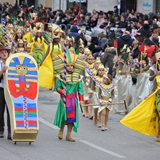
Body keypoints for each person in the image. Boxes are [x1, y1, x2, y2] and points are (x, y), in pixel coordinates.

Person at [120, 49, 160, 142]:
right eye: (143, 52)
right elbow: (151, 83)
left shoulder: (150, 63)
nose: (145, 54)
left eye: (146, 52)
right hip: (150, 89)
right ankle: (158, 133)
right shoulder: (154, 71)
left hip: (146, 82)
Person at [53, 52, 84, 142]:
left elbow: (80, 89)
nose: (70, 67)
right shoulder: (61, 76)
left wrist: (81, 100)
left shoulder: (78, 77)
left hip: (73, 100)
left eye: (72, 66)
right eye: (68, 65)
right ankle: (61, 130)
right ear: (65, 66)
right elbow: (57, 87)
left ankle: (69, 135)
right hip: (64, 99)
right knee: (64, 116)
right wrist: (61, 91)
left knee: (72, 118)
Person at [0, 45, 11, 139]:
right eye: (2, 52)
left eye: (5, 52)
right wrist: (2, 71)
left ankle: (11, 131)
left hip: (10, 89)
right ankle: (1, 130)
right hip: (1, 88)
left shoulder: (11, 62)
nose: (4, 53)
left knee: (10, 111)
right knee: (0, 110)